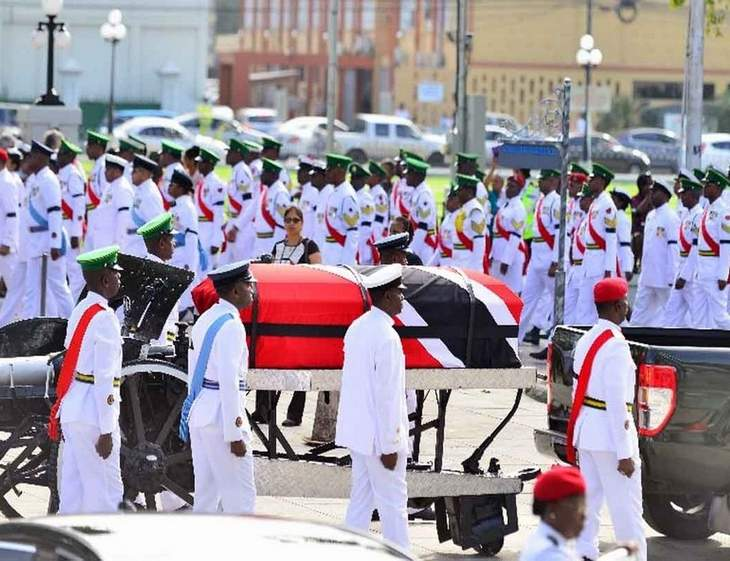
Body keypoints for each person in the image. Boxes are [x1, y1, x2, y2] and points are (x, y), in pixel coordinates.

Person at [568, 277, 646, 561]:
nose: (627, 306)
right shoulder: (616, 346)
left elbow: (577, 389)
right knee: (628, 512)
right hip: (611, 439)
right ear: (616, 307)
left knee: (589, 504)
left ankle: (584, 554)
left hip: (587, 432)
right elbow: (616, 403)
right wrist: (624, 453)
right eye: (624, 302)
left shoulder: (585, 339)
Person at [336, 264, 410, 551]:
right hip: (380, 439)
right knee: (394, 505)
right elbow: (387, 396)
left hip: (360, 434)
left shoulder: (358, 327)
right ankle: (399, 554)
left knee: (361, 502)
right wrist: (390, 444)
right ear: (387, 296)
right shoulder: (387, 336)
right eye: (400, 293)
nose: (403, 298)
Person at [181, 260, 256, 514]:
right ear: (235, 291)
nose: (252, 290)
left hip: (201, 413)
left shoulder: (206, 318)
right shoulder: (231, 325)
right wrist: (235, 433)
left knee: (206, 498)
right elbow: (229, 382)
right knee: (241, 500)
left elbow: (194, 372)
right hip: (222, 419)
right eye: (248, 285)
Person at [54, 245, 124, 514]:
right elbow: (105, 379)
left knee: (73, 492)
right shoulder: (106, 318)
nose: (120, 277)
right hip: (94, 414)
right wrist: (107, 429)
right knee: (106, 493)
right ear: (105, 280)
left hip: (74, 408)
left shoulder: (81, 309)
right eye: (116, 273)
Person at [23, 140, 74, 319]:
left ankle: (72, 322)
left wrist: (54, 243)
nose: (28, 160)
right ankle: (28, 325)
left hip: (48, 240)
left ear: (40, 158)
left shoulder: (48, 179)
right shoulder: (35, 179)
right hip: (35, 241)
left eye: (31, 156)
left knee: (58, 287)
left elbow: (54, 212)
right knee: (31, 289)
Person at [630, 181, 680, 326]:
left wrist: (672, 274)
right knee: (639, 313)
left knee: (671, 312)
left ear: (665, 195)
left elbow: (673, 248)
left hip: (663, 275)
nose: (651, 195)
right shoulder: (650, 215)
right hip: (648, 275)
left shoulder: (671, 217)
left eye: (654, 192)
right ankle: (635, 336)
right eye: (651, 192)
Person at [519, 169, 561, 343]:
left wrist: (555, 260)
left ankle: (554, 342)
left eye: (542, 180)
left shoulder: (556, 201)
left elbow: (559, 233)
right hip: (536, 257)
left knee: (558, 301)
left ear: (552, 181)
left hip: (548, 259)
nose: (539, 183)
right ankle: (515, 339)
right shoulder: (541, 200)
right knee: (526, 300)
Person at [575, 164, 619, 326]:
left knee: (597, 307)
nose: (589, 181)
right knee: (584, 305)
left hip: (600, 262)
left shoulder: (607, 205)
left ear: (601, 181)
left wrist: (609, 269)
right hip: (589, 260)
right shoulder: (596, 203)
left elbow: (611, 239)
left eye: (593, 179)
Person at [519, 466, 586, 561]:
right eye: (578, 507)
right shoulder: (550, 554)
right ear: (553, 509)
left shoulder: (544, 540)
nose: (583, 515)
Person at [662, 178, 703, 327]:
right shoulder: (687, 214)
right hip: (682, 267)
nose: (681, 197)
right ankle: (667, 337)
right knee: (671, 311)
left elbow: (695, 248)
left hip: (691, 273)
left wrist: (684, 276)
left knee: (697, 313)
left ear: (692, 195)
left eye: (684, 194)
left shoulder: (699, 216)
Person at [694, 168, 730, 328]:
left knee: (720, 317)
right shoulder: (707, 209)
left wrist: (723, 275)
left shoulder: (724, 211)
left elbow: (726, 245)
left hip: (715, 271)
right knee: (699, 316)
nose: (705, 187)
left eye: (708, 185)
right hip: (702, 270)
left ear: (718, 187)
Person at [137, 213, 179, 345]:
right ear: (162, 243)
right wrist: (170, 344)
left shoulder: (142, 268)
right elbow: (169, 320)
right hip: (160, 345)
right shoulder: (164, 275)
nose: (175, 243)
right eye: (171, 239)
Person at [56, 140, 86, 301]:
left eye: (61, 154)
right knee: (62, 269)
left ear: (69, 156)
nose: (58, 156)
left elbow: (79, 204)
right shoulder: (61, 173)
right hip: (61, 225)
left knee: (74, 270)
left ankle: (75, 303)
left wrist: (76, 233)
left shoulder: (73, 174)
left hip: (69, 226)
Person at [169, 169, 200, 312]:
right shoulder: (178, 205)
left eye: (172, 184)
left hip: (183, 256)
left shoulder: (187, 207)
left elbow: (192, 236)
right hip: (175, 254)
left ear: (181, 188)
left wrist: (190, 263)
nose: (169, 187)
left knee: (183, 295)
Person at [491, 174, 527, 295]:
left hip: (511, 257)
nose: (508, 189)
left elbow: (515, 236)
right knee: (497, 292)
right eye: (508, 186)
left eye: (512, 186)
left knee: (512, 292)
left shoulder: (519, 208)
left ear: (519, 189)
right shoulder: (505, 205)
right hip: (498, 254)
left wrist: (506, 260)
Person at [563, 187, 594, 326]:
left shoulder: (591, 221)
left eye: (584, 199)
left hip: (584, 268)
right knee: (568, 308)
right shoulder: (583, 220)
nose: (580, 202)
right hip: (575, 268)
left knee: (583, 309)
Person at [322, 154, 359, 266]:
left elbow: (352, 232)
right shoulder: (336, 192)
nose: (326, 173)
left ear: (340, 171)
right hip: (330, 251)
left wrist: (346, 263)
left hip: (339, 253)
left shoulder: (347, 195)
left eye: (329, 169)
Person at [224, 139, 257, 262]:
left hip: (242, 226)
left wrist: (237, 227)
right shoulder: (237, 170)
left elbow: (248, 202)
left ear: (238, 154)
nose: (227, 155)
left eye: (230, 152)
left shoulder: (242, 171)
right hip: (234, 221)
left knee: (241, 264)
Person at [125, 155, 165, 257]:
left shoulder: (150, 193)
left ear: (143, 173)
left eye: (134, 171)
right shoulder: (141, 190)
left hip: (141, 250)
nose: (131, 174)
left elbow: (156, 227)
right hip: (133, 244)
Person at [194, 148, 226, 271]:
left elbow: (218, 214)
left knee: (207, 269)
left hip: (210, 231)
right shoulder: (203, 182)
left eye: (201, 162)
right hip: (200, 229)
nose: (198, 165)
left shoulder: (216, 184)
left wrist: (216, 241)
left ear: (209, 164)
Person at [253, 158, 291, 258]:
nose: (261, 175)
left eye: (264, 172)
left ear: (273, 175)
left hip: (271, 242)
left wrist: (277, 248)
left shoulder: (280, 193)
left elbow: (284, 223)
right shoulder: (268, 190)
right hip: (261, 241)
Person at [95, 154, 134, 249]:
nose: (105, 172)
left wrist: (118, 246)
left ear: (116, 171)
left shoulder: (123, 189)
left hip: (111, 245)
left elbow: (124, 220)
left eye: (107, 169)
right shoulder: (111, 186)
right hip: (103, 241)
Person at [451, 174, 487, 272]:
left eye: (460, 190)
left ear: (469, 192)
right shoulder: (464, 208)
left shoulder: (475, 210)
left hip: (468, 263)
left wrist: (476, 269)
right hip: (458, 262)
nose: (457, 193)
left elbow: (479, 243)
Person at [404, 157, 437, 265]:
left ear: (416, 176)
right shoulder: (417, 192)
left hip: (424, 243)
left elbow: (423, 226)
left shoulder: (424, 195)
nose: (405, 176)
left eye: (408, 174)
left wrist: (411, 250)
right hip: (418, 241)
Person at [0, 149, 19, 312]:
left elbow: (13, 214)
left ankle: (23, 319)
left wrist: (7, 242)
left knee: (14, 286)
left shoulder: (6, 182)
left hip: (5, 245)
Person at [84, 131, 109, 252]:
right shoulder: (98, 165)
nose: (87, 149)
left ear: (98, 147)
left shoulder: (103, 166)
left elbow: (105, 194)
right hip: (92, 215)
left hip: (98, 217)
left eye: (89, 146)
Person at [350, 163, 376, 265]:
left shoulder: (366, 199)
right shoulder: (352, 195)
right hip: (353, 242)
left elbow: (366, 227)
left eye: (356, 179)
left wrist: (357, 246)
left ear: (363, 181)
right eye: (352, 178)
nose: (352, 181)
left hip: (362, 245)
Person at [429, 184, 460, 267]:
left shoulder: (460, 220)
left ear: (458, 202)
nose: (446, 201)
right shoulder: (448, 218)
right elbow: (440, 248)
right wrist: (429, 266)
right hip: (444, 263)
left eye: (450, 199)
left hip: (454, 264)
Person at [630, 172, 654, 273]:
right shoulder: (634, 199)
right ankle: (636, 263)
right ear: (641, 186)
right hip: (639, 230)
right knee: (638, 237)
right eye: (648, 184)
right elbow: (638, 211)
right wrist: (648, 197)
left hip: (652, 230)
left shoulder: (654, 199)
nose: (651, 187)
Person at [610, 187, 635, 282]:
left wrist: (627, 268)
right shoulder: (614, 216)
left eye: (613, 198)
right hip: (614, 261)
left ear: (620, 202)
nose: (610, 200)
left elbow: (625, 244)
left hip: (620, 262)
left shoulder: (621, 219)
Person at [158, 140, 185, 209]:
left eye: (162, 154)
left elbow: (172, 197)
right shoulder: (172, 168)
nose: (160, 157)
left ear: (168, 156)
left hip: (170, 209)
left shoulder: (175, 171)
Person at [367, 161, 391, 242]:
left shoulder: (379, 195)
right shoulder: (371, 191)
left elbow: (379, 219)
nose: (368, 176)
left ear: (377, 178)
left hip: (376, 235)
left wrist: (374, 238)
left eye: (370, 174)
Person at [297, 157, 318, 240]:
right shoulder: (305, 190)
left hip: (311, 239)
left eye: (300, 171)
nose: (298, 174)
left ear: (308, 173)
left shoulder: (314, 191)